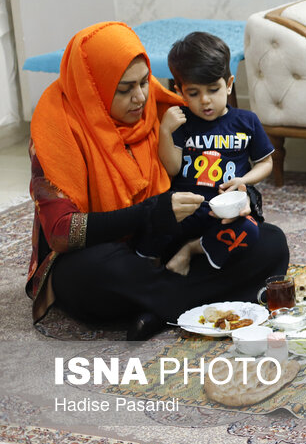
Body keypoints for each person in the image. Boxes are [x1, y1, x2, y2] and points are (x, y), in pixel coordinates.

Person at [26, 22, 289, 340]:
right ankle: (187, 303)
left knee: (270, 242)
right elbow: (61, 233)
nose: (139, 98)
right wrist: (150, 211)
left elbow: (214, 176)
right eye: (124, 90)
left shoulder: (163, 110)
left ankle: (159, 312)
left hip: (166, 243)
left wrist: (245, 196)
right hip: (106, 256)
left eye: (144, 83)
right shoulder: (57, 130)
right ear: (93, 88)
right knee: (87, 274)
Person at [148, 31, 274, 275]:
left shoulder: (246, 121)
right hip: (187, 211)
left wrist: (244, 181)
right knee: (151, 230)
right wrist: (165, 130)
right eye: (193, 93)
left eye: (213, 90)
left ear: (228, 85)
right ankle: (158, 272)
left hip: (226, 212)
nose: (205, 101)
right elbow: (172, 168)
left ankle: (192, 250)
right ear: (180, 91)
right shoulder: (180, 122)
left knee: (251, 231)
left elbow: (266, 163)